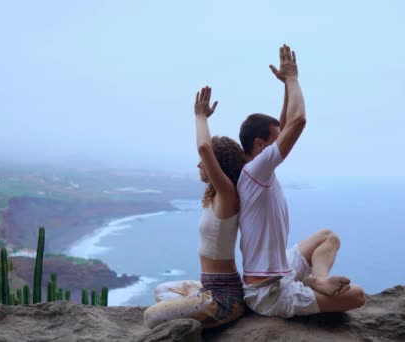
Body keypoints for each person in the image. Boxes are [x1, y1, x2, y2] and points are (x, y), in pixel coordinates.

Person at [237, 44, 366, 318]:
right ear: (260, 145)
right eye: (274, 140)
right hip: (268, 293)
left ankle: (317, 280)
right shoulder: (254, 172)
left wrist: (285, 86)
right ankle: (311, 288)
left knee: (328, 237)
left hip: (281, 268)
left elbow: (285, 125)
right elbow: (298, 121)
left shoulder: (256, 172)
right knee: (357, 296)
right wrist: (294, 79)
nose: (281, 143)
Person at [144, 86, 246, 329]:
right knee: (163, 289)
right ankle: (197, 307)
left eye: (206, 162)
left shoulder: (227, 194)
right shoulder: (214, 195)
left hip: (224, 297)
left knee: (150, 317)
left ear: (217, 165)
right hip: (208, 287)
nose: (199, 164)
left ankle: (210, 312)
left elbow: (204, 148)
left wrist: (200, 116)